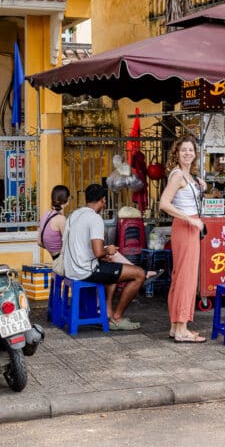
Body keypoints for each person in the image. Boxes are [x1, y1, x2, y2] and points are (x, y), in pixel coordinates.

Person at [59, 184, 145, 331]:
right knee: (139, 274)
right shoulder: (95, 218)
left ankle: (107, 312)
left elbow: (81, 247)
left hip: (71, 269)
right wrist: (109, 250)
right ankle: (117, 318)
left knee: (111, 269)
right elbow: (98, 252)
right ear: (103, 200)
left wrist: (102, 256)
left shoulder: (73, 215)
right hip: (85, 271)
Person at [158, 135, 208, 343]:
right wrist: (190, 220)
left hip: (190, 226)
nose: (187, 153)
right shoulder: (178, 176)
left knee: (182, 277)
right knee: (185, 278)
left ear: (195, 154)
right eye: (183, 150)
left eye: (190, 150)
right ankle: (181, 329)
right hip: (186, 226)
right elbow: (164, 203)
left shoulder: (188, 176)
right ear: (176, 154)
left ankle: (176, 326)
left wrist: (200, 186)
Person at [38, 185, 70, 259]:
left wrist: (52, 248)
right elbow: (68, 244)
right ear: (67, 200)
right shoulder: (61, 219)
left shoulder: (45, 215)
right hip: (62, 259)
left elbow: (39, 242)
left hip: (54, 257)